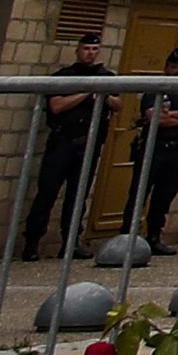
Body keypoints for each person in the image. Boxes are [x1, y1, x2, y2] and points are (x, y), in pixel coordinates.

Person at [22, 35, 115, 259]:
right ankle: (32, 242)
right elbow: (56, 105)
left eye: (95, 49)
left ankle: (71, 243)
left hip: (89, 144)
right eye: (86, 49)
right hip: (62, 142)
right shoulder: (64, 77)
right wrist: (85, 93)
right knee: (47, 193)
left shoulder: (106, 77)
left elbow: (117, 103)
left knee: (78, 196)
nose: (90, 53)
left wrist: (101, 92)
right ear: (77, 51)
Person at [129, 49, 178, 251]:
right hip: (154, 148)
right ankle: (128, 236)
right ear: (166, 67)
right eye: (173, 67)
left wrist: (173, 114)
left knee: (165, 195)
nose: (177, 71)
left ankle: (154, 237)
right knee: (139, 193)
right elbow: (156, 118)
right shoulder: (155, 89)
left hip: (176, 150)